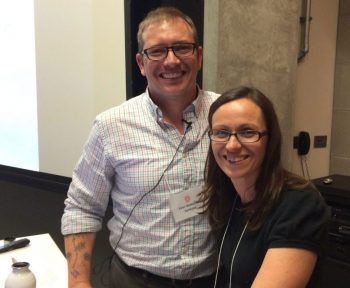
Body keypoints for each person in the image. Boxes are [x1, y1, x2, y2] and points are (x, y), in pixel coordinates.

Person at [61, 6, 219, 288]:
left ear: (199, 55)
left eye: (182, 48)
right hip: (135, 280)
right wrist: (78, 283)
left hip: (216, 278)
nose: (171, 61)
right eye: (157, 51)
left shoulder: (227, 115)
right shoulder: (111, 126)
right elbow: (82, 207)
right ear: (141, 62)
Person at [201, 86, 329, 288]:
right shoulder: (230, 199)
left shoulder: (299, 204)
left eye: (248, 132)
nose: (232, 145)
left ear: (270, 139)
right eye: (222, 132)